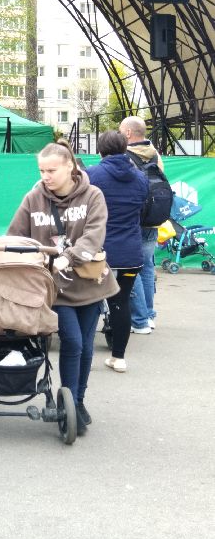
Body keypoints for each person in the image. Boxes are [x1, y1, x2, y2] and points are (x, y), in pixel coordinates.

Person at [7, 139, 114, 434]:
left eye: (51, 170)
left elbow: (94, 236)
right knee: (74, 342)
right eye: (42, 170)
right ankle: (68, 403)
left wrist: (69, 257)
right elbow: (15, 235)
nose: (46, 176)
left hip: (91, 283)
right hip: (53, 286)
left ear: (70, 167)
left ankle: (77, 401)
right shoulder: (34, 199)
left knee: (86, 346)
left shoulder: (92, 195)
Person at [87, 130, 148, 373]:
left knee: (89, 302)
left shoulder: (92, 174)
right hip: (130, 252)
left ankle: (85, 357)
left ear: (100, 150)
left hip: (98, 252)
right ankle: (118, 358)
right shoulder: (141, 178)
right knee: (121, 303)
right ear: (125, 148)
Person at [120, 116, 162, 334]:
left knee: (132, 269)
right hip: (154, 218)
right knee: (147, 266)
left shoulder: (126, 157)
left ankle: (141, 319)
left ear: (128, 133)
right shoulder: (155, 154)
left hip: (134, 218)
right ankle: (150, 314)